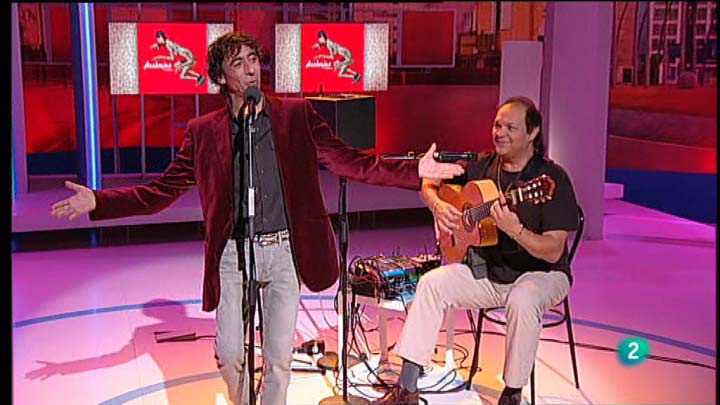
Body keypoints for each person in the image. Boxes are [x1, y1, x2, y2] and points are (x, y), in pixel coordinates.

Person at [51, 32, 464, 405]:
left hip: (285, 251)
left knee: (279, 359)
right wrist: (99, 202)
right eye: (238, 62)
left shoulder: (296, 115)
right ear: (220, 77)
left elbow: (351, 162)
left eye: (253, 59)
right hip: (233, 255)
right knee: (231, 353)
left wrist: (414, 171)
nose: (251, 69)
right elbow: (161, 191)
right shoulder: (203, 131)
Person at [373, 96, 579, 405]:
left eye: (511, 127)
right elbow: (429, 183)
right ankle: (407, 389)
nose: (500, 133)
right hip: (490, 274)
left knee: (523, 299)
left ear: (533, 133)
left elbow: (553, 251)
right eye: (497, 125)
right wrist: (437, 205)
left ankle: (511, 395)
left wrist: (516, 231)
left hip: (543, 275)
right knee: (431, 284)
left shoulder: (550, 180)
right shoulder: (482, 166)